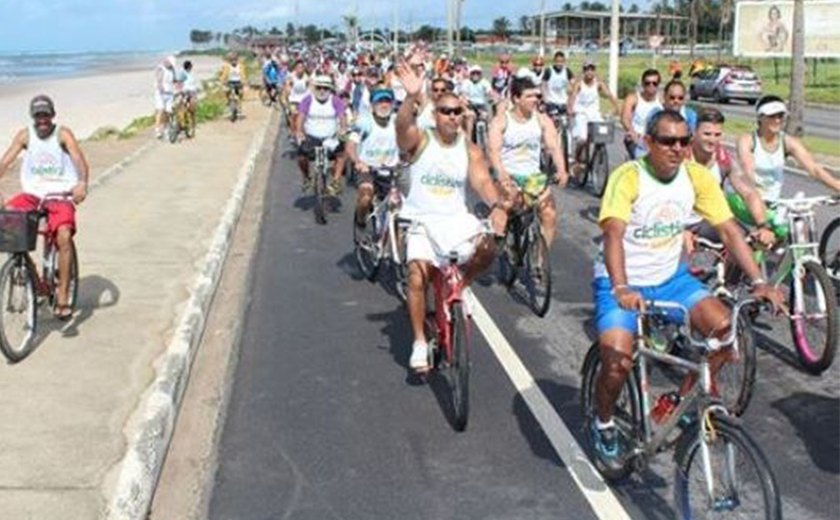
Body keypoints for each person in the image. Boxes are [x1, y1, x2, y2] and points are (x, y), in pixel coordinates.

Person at [590, 109, 785, 468]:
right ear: (649, 142)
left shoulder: (696, 177)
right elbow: (613, 233)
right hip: (622, 281)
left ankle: (675, 404)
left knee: (728, 334)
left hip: (670, 280)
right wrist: (620, 287)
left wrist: (760, 281)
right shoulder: (628, 177)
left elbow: (728, 229)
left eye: (683, 140)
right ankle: (603, 422)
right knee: (616, 362)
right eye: (667, 141)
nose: (677, 148)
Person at [395, 55, 508, 372]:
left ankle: (463, 285)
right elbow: (402, 128)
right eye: (446, 111)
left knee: (489, 246)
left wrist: (497, 205)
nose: (453, 117)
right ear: (435, 114)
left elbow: (483, 181)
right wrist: (410, 98)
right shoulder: (421, 139)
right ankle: (419, 341)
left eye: (458, 111)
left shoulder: (469, 148)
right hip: (420, 219)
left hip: (455, 220)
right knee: (417, 276)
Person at [0, 95, 90, 320]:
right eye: (38, 115)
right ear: (33, 117)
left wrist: (82, 183)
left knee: (63, 235)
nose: (42, 119)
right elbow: (4, 161)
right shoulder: (25, 135)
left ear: (52, 115)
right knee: (9, 223)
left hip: (60, 194)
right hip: (32, 194)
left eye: (46, 114)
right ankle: (32, 277)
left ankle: (61, 296)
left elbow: (79, 160)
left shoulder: (63, 134)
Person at [733, 96, 840, 240]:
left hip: (773, 203)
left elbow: (814, 169)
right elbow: (747, 170)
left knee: (797, 230)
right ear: (760, 117)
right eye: (772, 116)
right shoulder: (747, 140)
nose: (777, 120)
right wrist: (756, 196)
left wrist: (837, 186)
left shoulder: (788, 142)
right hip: (745, 199)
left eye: (780, 116)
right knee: (780, 229)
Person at [488, 75, 568, 248]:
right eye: (529, 96)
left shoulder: (541, 119)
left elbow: (553, 146)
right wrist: (502, 175)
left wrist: (562, 170)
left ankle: (540, 259)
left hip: (533, 177)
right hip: (509, 175)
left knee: (549, 214)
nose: (535, 100)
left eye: (536, 96)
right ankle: (500, 246)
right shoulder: (501, 121)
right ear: (516, 98)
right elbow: (494, 152)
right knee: (507, 207)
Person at [684, 108, 774, 249]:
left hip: (710, 221)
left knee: (745, 240)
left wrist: (763, 226)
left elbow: (749, 193)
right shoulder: (679, 157)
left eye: (717, 135)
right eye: (707, 134)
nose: (712, 140)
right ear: (694, 133)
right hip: (680, 224)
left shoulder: (724, 160)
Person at [347, 88, 401, 229]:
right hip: (368, 169)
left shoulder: (398, 122)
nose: (384, 105)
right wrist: (357, 161)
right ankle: (360, 221)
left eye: (387, 101)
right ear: (372, 105)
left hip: (391, 170)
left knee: (400, 210)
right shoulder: (364, 122)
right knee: (365, 197)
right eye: (380, 101)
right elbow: (351, 145)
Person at [295, 75, 348, 196]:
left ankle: (336, 181)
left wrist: (343, 129)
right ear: (314, 88)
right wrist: (299, 131)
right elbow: (301, 117)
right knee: (301, 156)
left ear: (330, 89)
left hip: (331, 138)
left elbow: (342, 117)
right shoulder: (307, 100)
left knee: (342, 155)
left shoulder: (335, 101)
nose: (322, 91)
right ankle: (307, 177)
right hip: (311, 137)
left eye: (325, 88)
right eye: (319, 88)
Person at [567, 61, 620, 177]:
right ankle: (576, 159)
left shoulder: (598, 83)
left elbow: (609, 95)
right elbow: (573, 97)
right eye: (587, 69)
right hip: (581, 113)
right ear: (584, 71)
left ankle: (598, 155)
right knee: (582, 138)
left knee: (602, 133)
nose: (589, 72)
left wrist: (616, 107)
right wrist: (570, 109)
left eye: (592, 69)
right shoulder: (579, 84)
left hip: (594, 114)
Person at [621, 68, 663, 159]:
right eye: (647, 83)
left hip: (656, 140)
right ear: (643, 84)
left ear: (658, 85)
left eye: (654, 83)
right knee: (642, 158)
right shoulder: (633, 98)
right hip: (636, 138)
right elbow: (625, 118)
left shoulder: (661, 100)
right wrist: (632, 131)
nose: (651, 86)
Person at [458, 65, 493, 141]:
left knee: (486, 118)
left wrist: (491, 97)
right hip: (470, 105)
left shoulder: (485, 82)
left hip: (481, 106)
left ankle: (488, 139)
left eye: (477, 73)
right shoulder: (466, 82)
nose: (475, 75)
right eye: (473, 73)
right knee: (470, 118)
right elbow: (463, 95)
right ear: (470, 74)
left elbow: (489, 92)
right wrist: (466, 105)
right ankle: (469, 139)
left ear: (480, 74)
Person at [541, 51, 574, 123]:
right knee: (554, 122)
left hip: (563, 102)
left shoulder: (567, 71)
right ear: (554, 61)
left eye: (561, 61)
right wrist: (545, 99)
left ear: (564, 61)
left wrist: (570, 101)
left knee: (564, 123)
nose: (559, 64)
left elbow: (573, 85)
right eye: (557, 61)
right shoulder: (549, 71)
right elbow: (543, 85)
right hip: (552, 102)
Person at [153, 55, 177, 139]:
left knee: (168, 111)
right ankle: (157, 130)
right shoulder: (160, 68)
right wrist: (161, 87)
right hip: (160, 93)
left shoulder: (172, 70)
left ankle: (166, 128)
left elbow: (174, 80)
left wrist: (178, 86)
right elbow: (158, 79)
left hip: (169, 93)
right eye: (170, 64)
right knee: (161, 110)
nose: (170, 66)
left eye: (171, 65)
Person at [177, 60, 201, 125]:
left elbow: (179, 83)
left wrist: (179, 90)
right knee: (191, 107)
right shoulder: (185, 73)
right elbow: (180, 82)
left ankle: (183, 122)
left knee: (182, 106)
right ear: (190, 67)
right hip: (189, 92)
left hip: (186, 92)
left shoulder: (183, 72)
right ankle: (191, 122)